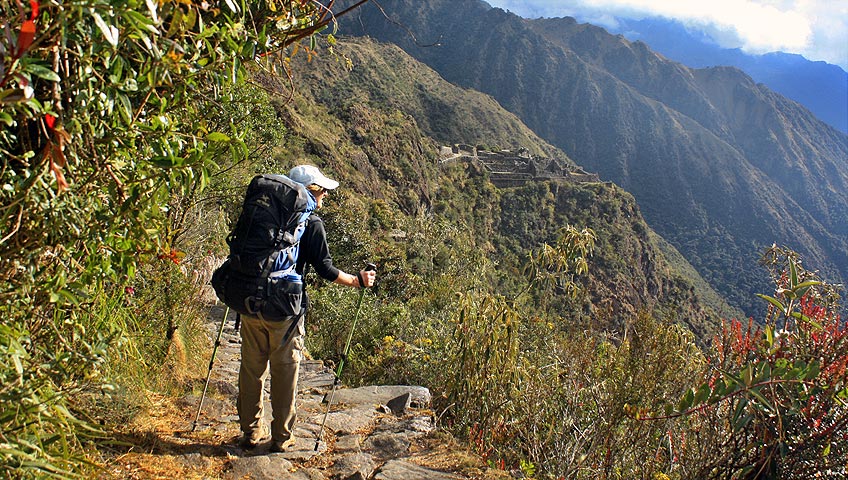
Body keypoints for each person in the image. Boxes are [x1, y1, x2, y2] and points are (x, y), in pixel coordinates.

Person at [237, 164, 377, 452]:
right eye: (322, 190)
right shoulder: (311, 224)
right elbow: (325, 268)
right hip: (285, 309)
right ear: (312, 191)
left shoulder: (262, 211)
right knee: (285, 370)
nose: (325, 194)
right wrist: (358, 281)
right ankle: (281, 438)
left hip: (250, 300)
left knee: (252, 369)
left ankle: (250, 433)